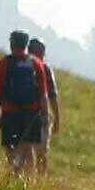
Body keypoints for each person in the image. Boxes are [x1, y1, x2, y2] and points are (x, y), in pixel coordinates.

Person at [0, 29, 48, 176]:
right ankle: (27, 179)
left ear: (12, 44)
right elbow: (43, 94)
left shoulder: (4, 63)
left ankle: (15, 173)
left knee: (11, 148)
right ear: (26, 44)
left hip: (10, 112)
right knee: (28, 148)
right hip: (31, 112)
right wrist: (44, 115)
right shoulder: (36, 64)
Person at [26, 37, 61, 173]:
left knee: (26, 148)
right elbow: (52, 94)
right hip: (41, 115)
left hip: (21, 113)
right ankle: (41, 177)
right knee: (42, 150)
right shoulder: (45, 68)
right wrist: (57, 118)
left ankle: (26, 178)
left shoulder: (18, 64)